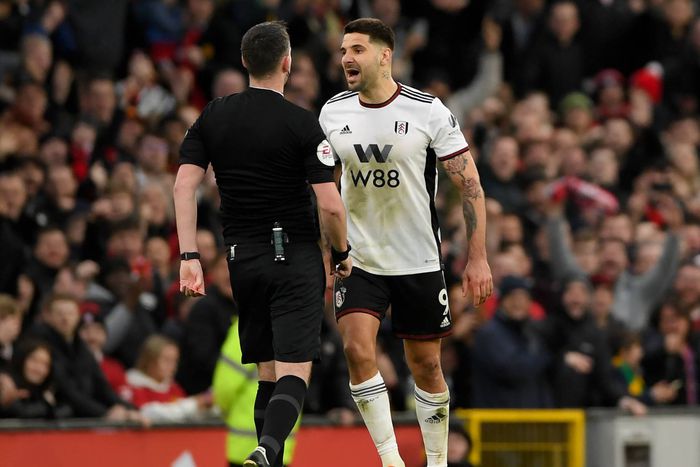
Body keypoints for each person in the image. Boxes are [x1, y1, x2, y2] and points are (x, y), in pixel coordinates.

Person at [174, 21, 351, 467]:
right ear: (287, 64)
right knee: (294, 372)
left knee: (266, 375)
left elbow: (182, 186)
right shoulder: (300, 123)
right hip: (294, 258)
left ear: (244, 62)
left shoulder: (213, 115)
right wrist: (342, 252)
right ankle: (270, 449)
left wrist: (190, 255)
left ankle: (263, 454)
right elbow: (330, 205)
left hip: (242, 261)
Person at [319, 18, 492, 467]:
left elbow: (470, 185)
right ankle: (391, 460)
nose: (346, 59)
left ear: (384, 55)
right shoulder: (332, 113)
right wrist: (328, 253)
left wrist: (478, 258)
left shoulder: (428, 110)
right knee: (358, 350)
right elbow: (324, 192)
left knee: (426, 366)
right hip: (359, 258)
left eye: (356, 49)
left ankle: (435, 461)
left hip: (417, 258)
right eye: (342, 51)